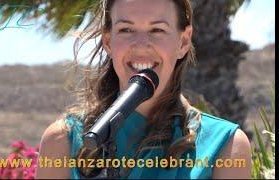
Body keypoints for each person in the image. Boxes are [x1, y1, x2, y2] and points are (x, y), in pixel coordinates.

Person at [35, 0, 251, 179]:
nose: (140, 45)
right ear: (109, 42)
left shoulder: (226, 145)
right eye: (126, 29)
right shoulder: (63, 140)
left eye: (157, 30)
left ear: (183, 42)